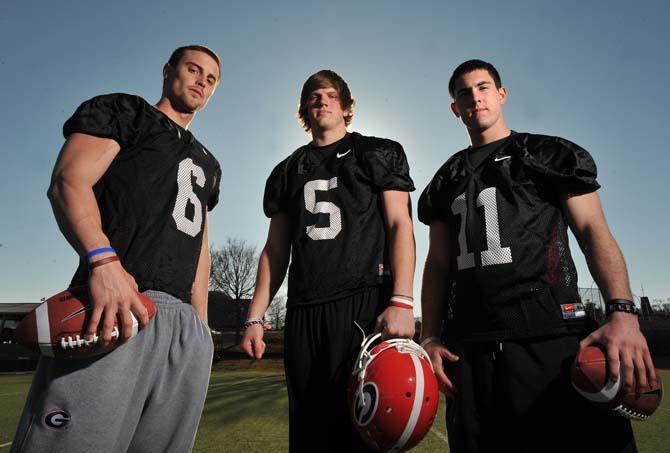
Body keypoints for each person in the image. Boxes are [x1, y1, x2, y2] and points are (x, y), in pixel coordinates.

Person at [418, 59, 655, 453]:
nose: (475, 98)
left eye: (483, 87)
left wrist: (622, 312)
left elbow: (592, 231)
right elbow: (438, 265)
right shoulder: (445, 179)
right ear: (455, 108)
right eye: (464, 93)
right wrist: (428, 335)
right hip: (472, 353)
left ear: (501, 94)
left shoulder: (545, 153)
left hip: (551, 340)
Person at [12, 45, 222, 452]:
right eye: (193, 69)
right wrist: (102, 260)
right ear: (167, 71)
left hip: (183, 326)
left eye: (211, 79)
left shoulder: (208, 163)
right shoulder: (127, 113)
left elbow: (202, 247)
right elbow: (69, 181)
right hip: (119, 297)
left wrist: (201, 327)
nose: (201, 81)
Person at [241, 69, 416, 452]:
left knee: (365, 428)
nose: (322, 101)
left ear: (347, 106)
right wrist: (255, 314)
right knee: (308, 431)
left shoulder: (376, 153)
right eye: (314, 96)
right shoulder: (288, 170)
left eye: (331, 96)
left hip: (364, 301)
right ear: (305, 108)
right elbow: (275, 250)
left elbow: (401, 223)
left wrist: (402, 299)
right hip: (304, 309)